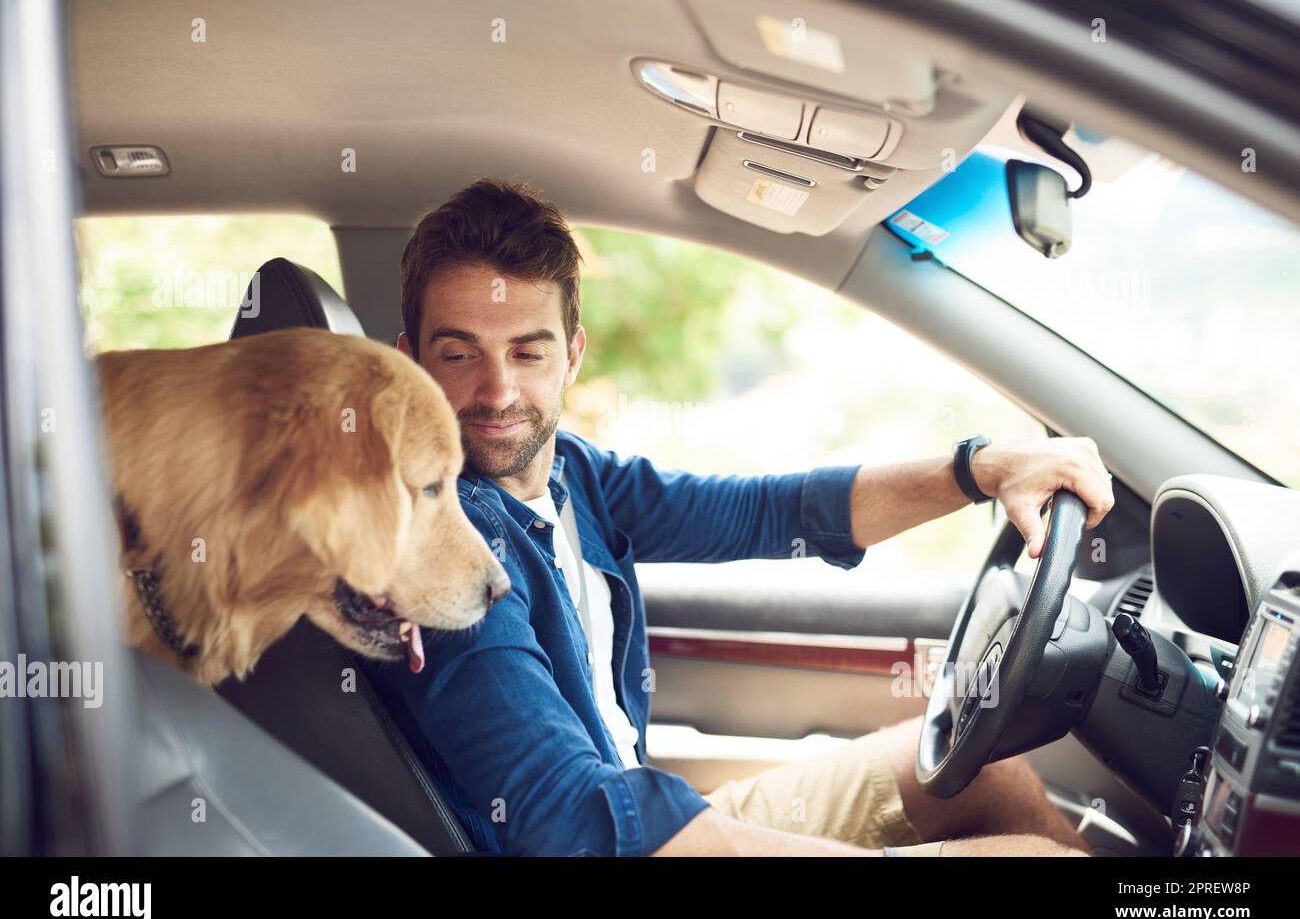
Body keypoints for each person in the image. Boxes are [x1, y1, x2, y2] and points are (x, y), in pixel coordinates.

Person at [366, 178, 1112, 856]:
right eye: (460, 354)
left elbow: (773, 509)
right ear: (410, 362)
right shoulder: (439, 547)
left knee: (989, 773)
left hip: (656, 816)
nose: (497, 391)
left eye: (527, 352)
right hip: (623, 842)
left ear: (571, 356)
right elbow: (572, 815)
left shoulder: (574, 476)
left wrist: (978, 470)